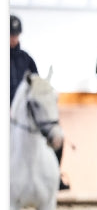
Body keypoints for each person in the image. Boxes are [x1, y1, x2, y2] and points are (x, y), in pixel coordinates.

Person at [10, 15, 69, 191]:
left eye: (15, 34)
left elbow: (37, 84)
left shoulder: (26, 58)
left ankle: (55, 176)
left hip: (26, 112)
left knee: (57, 135)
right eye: (10, 34)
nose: (13, 38)